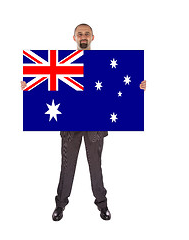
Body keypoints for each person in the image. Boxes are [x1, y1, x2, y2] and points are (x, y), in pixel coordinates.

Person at [21, 23, 146, 221]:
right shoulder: (64, 65)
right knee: (67, 165)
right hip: (70, 123)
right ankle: (60, 205)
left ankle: (102, 205)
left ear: (93, 37)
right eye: (80, 34)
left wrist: (137, 88)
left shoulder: (106, 64)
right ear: (74, 38)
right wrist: (29, 86)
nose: (83, 36)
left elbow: (117, 89)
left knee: (95, 166)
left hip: (95, 124)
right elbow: (50, 87)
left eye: (86, 33)